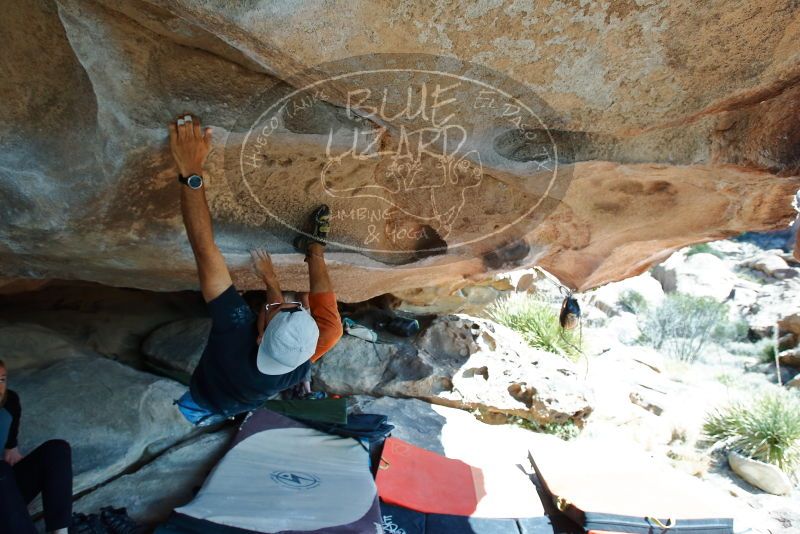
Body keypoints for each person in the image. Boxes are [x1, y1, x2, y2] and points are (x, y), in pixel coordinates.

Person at [168, 114, 343, 426]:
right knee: (333, 331)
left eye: (277, 309)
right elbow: (278, 310)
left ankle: (191, 415)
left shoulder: (235, 335)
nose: (286, 301)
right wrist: (270, 280)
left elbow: (204, 250)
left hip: (205, 396)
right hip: (245, 394)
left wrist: (191, 171)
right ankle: (314, 251)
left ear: (259, 337)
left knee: (191, 410)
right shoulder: (297, 365)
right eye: (296, 309)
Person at [0, 360, 73, 534]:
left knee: (57, 449)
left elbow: (11, 450)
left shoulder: (9, 403)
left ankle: (60, 532)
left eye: (2, 379)